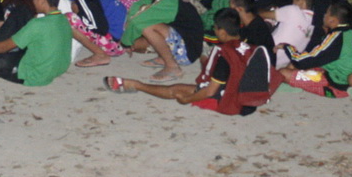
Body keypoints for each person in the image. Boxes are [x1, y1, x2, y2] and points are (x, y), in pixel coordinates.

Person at [103, 9, 275, 115]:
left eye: (215, 28)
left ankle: (135, 85)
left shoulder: (226, 55)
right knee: (205, 63)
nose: (215, 31)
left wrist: (188, 99)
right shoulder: (248, 46)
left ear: (222, 32)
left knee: (175, 90)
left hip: (229, 100)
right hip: (245, 96)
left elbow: (209, 91)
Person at [121, 0, 206, 81]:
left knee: (147, 28)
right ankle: (163, 58)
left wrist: (125, 43)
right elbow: (140, 3)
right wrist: (130, 21)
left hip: (188, 51)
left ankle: (172, 67)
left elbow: (137, 21)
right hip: (183, 40)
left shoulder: (169, 2)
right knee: (139, 31)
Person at [277, 0, 352, 97]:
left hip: (336, 85)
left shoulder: (336, 37)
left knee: (283, 73)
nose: (324, 15)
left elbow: (304, 61)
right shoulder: (350, 32)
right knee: (293, 64)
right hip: (344, 75)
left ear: (332, 20)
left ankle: (298, 85)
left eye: (327, 13)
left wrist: (287, 47)